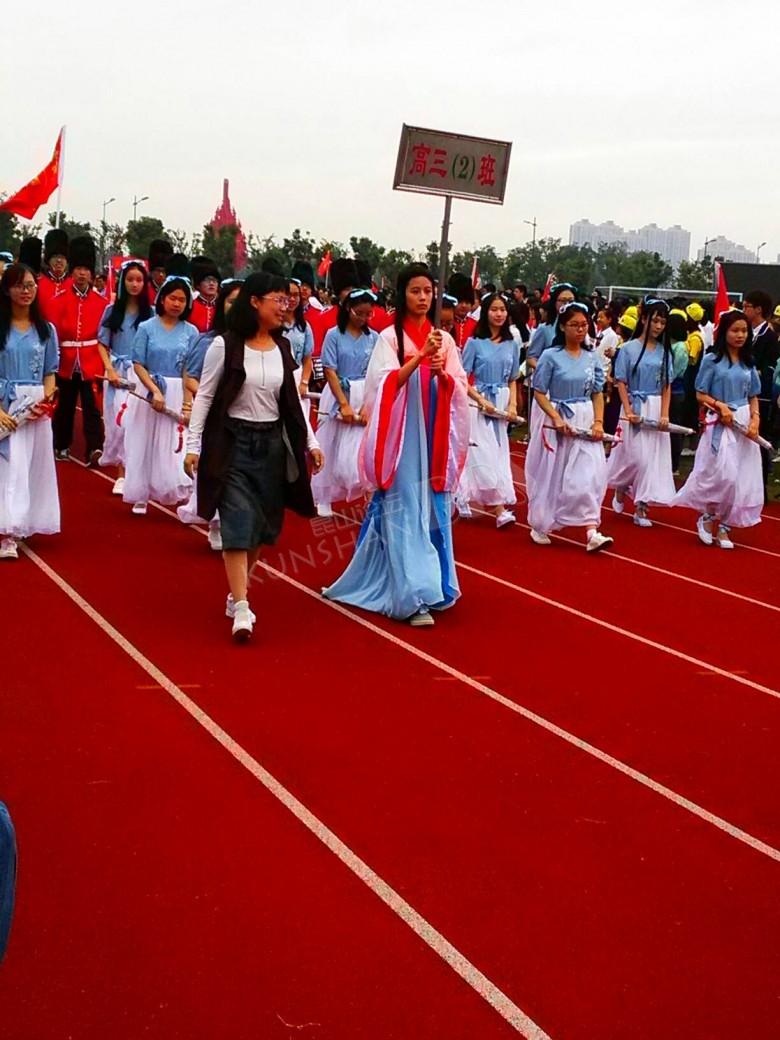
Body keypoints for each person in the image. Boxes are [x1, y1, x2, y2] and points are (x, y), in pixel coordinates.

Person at [322, 263, 470, 627]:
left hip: (433, 431)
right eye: (415, 291)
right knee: (403, 505)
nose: (423, 298)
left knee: (431, 504)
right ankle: (412, 594)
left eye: (428, 291)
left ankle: (432, 582)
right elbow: (382, 386)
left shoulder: (444, 340)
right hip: (402, 434)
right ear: (402, 295)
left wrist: (442, 374)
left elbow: (460, 385)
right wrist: (419, 358)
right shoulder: (389, 338)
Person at [184, 271, 323, 642]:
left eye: (287, 299)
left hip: (272, 445)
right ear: (255, 302)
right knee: (237, 522)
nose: (284, 306)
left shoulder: (283, 348)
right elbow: (205, 397)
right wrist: (193, 445)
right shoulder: (225, 346)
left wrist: (311, 443)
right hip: (233, 443)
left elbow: (292, 403)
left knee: (262, 526)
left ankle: (236, 593)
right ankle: (243, 608)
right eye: (277, 299)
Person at [525, 302, 612, 551]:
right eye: (574, 325)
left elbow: (597, 392)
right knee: (553, 472)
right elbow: (539, 391)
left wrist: (598, 421)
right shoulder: (550, 356)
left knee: (588, 475)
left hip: (585, 417)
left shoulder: (591, 357)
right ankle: (541, 521)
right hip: (559, 417)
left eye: (584, 325)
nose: (580, 330)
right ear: (563, 327)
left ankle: (591, 530)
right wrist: (555, 417)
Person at [673, 309, 763, 547]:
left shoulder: (748, 362)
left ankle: (724, 526)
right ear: (724, 332)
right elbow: (700, 393)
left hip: (743, 419)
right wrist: (719, 405)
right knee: (724, 473)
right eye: (735, 330)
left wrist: (755, 419)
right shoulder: (711, 360)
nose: (740, 335)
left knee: (741, 476)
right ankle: (708, 515)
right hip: (720, 421)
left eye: (744, 331)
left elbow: (753, 395)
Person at [123, 267, 198, 515]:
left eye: (182, 300)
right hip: (149, 390)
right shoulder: (146, 327)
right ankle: (140, 494)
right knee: (144, 440)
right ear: (163, 299)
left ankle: (179, 490)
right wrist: (154, 391)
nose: (176, 304)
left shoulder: (191, 332)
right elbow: (138, 363)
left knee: (174, 443)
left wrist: (187, 402)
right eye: (172, 298)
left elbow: (189, 369)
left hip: (177, 391)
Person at [177, 278, 243, 547]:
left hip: (245, 418)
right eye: (231, 302)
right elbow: (191, 377)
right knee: (217, 468)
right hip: (217, 418)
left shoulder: (258, 341)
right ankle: (215, 523)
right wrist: (215, 396)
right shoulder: (208, 341)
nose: (236, 308)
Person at [0, 263, 60, 560]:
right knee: (10, 465)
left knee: (32, 464)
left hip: (35, 406)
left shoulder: (46, 330)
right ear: (7, 290)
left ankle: (23, 519)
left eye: (30, 286)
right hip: (6, 402)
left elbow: (50, 371)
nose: (26, 291)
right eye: (19, 286)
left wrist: (47, 399)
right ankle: (6, 531)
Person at [607, 298, 675, 525]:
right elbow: (621, 381)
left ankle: (642, 506)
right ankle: (623, 484)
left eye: (662, 323)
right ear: (644, 319)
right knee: (637, 456)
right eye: (655, 321)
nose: (658, 326)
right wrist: (628, 410)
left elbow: (666, 385)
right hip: (634, 406)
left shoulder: (665, 352)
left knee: (653, 458)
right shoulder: (627, 349)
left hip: (655, 406)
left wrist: (664, 413)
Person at [311, 289, 378, 517]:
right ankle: (324, 496)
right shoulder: (334, 335)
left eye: (368, 314)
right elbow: (330, 370)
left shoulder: (374, 338)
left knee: (364, 445)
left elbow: (376, 371)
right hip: (339, 390)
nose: (364, 318)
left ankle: (369, 496)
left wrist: (367, 402)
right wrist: (343, 403)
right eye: (359, 313)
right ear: (348, 309)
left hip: (364, 391)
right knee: (331, 441)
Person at [457, 291, 520, 527]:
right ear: (485, 313)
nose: (499, 314)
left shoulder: (511, 344)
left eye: (502, 310)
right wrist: (480, 399)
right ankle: (499, 509)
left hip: (501, 402)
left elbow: (513, 378)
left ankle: (464, 493)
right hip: (478, 402)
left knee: (499, 451)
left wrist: (512, 404)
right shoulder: (474, 343)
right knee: (483, 452)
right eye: (494, 309)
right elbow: (462, 377)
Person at [97, 261, 153, 495]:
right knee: (118, 423)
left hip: (141, 373)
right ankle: (121, 473)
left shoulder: (150, 314)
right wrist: (109, 369)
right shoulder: (112, 311)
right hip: (118, 372)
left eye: (139, 280)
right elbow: (102, 342)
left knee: (137, 423)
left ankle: (135, 473)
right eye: (130, 279)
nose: (134, 284)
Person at [50, 235, 107, 465]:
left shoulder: (101, 303)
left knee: (92, 407)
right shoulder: (59, 300)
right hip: (66, 361)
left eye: (86, 269)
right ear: (72, 272)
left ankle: (95, 448)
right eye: (78, 269)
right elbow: (54, 333)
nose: (82, 274)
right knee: (65, 406)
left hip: (91, 362)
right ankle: (61, 445)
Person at [742, 289, 779, 500]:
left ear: (757, 309)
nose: (743, 310)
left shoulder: (769, 336)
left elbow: (770, 368)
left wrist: (754, 372)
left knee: (759, 442)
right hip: (742, 396)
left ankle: (760, 489)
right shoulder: (746, 332)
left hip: (760, 398)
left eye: (746, 306)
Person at [526, 282, 577, 373]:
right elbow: (531, 358)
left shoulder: (582, 328)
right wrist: (545, 370)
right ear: (555, 302)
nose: (567, 304)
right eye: (563, 301)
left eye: (571, 301)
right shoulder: (545, 329)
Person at [282, 277, 315, 412]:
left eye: (296, 295)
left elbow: (307, 358)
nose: (292, 299)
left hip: (298, 379)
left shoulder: (304, 326)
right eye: (288, 295)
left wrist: (304, 383)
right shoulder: (273, 324)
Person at [666, 309, 691, 474]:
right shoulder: (668, 344)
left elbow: (675, 371)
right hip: (667, 390)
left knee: (674, 428)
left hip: (675, 391)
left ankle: (674, 464)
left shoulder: (680, 347)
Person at [36, 229, 70, 322]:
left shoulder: (73, 286)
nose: (59, 260)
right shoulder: (37, 284)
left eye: (62, 257)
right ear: (48, 260)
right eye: (55, 256)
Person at [189, 256, 221, 334]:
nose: (211, 283)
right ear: (198, 285)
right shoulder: (190, 306)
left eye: (214, 280)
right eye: (207, 280)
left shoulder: (221, 306)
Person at [447, 273, 477, 349]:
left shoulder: (476, 325)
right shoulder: (446, 324)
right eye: (460, 301)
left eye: (467, 302)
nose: (464, 305)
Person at [147, 239, 173, 305]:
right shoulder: (145, 290)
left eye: (164, 271)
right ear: (152, 272)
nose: (161, 274)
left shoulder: (172, 291)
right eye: (158, 270)